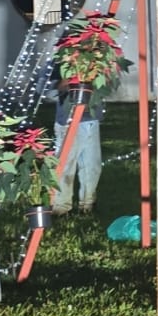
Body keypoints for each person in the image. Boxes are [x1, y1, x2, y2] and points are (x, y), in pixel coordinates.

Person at [53, 80, 104, 215]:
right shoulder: (59, 64)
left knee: (92, 166)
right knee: (65, 166)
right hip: (67, 122)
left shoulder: (99, 64)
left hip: (91, 120)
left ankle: (87, 204)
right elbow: (45, 88)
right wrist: (68, 83)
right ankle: (61, 208)